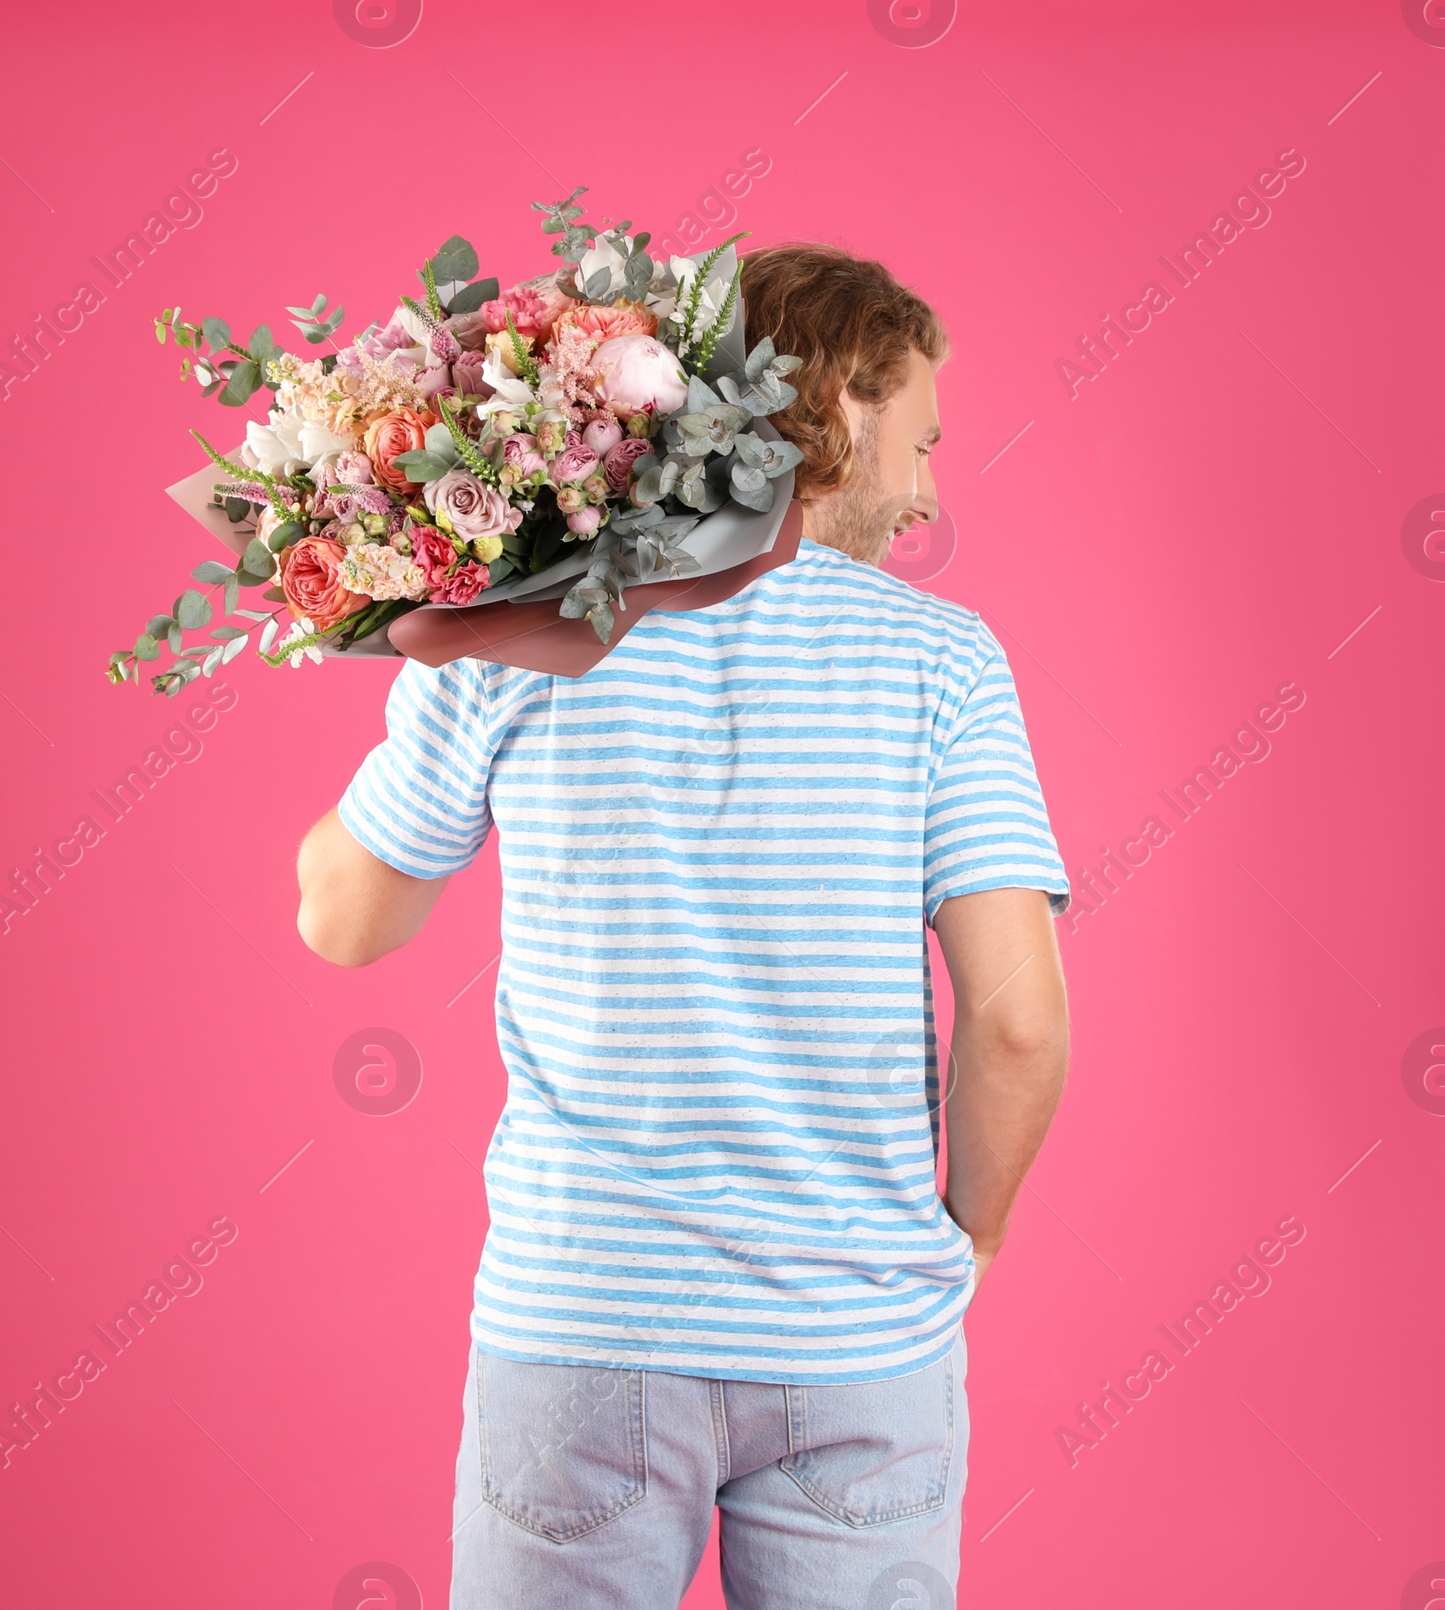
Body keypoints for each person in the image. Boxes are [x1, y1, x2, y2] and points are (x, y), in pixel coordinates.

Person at [295, 244, 1072, 1610]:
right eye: (922, 440)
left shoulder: (521, 628)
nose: (929, 492)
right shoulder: (945, 661)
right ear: (834, 405)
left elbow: (345, 920)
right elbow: (1018, 1018)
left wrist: (422, 629)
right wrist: (964, 1246)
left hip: (582, 1321)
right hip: (855, 1338)